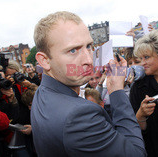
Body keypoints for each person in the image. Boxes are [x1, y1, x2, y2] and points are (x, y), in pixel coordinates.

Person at [31, 11, 146, 157]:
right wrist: (116, 90)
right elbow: (136, 153)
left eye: (89, 46)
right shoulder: (79, 117)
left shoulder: (43, 92)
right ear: (44, 60)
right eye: (73, 50)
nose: (89, 60)